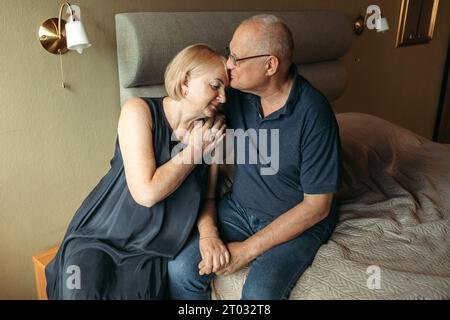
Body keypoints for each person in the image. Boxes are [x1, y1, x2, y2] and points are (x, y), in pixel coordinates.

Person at [168, 15, 342, 300]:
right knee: (179, 267)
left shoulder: (314, 113)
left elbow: (318, 207)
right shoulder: (233, 95)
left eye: (237, 58)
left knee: (259, 293)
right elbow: (187, 103)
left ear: (270, 65)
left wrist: (247, 250)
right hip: (238, 209)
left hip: (295, 219)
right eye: (229, 53)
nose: (228, 64)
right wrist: (210, 234)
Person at [45, 44, 231, 299]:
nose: (224, 97)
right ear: (186, 81)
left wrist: (209, 234)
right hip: (103, 235)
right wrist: (195, 150)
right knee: (80, 289)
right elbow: (146, 193)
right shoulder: (139, 111)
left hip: (151, 251)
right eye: (215, 85)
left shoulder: (213, 131)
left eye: (226, 89)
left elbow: (208, 197)